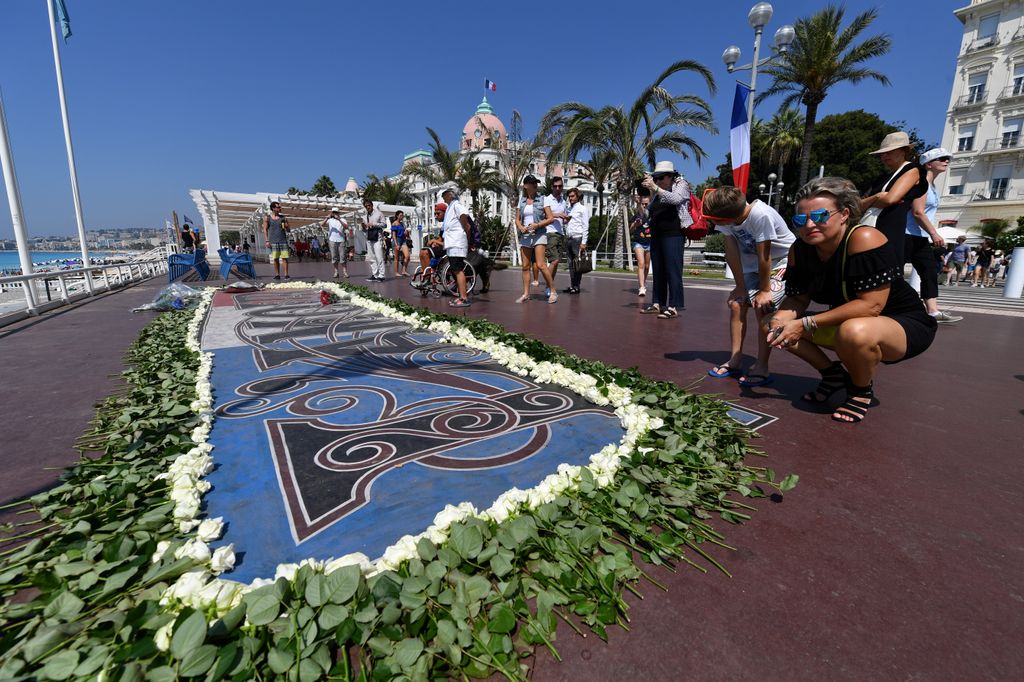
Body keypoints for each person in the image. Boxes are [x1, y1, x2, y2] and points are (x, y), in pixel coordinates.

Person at [768, 177, 936, 424]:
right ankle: (833, 375)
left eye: (821, 216)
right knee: (770, 323)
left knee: (854, 331)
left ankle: (860, 389)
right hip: (852, 322)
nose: (811, 224)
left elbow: (871, 306)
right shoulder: (800, 249)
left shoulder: (864, 237)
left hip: (901, 324)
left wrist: (803, 324)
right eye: (801, 220)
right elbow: (797, 299)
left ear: (845, 214)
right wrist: (779, 321)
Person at [702, 186, 796, 387]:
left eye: (714, 221)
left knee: (763, 306)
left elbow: (766, 256)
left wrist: (764, 291)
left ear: (725, 219)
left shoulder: (760, 215)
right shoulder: (729, 218)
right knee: (737, 303)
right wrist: (740, 287)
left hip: (783, 261)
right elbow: (732, 253)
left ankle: (762, 366)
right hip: (753, 267)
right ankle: (735, 359)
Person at [908, 148, 962, 323]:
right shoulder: (921, 182)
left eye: (948, 159)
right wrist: (934, 233)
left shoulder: (932, 186)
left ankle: (932, 311)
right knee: (890, 272)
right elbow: (918, 212)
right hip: (906, 235)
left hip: (920, 237)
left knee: (929, 271)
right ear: (928, 164)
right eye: (942, 158)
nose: (947, 161)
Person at [860, 131, 928, 265]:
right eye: (882, 153)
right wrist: (877, 197)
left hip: (889, 230)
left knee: (887, 273)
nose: (884, 156)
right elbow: (858, 205)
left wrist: (871, 201)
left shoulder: (912, 169)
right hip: (869, 226)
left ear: (903, 151)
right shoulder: (881, 178)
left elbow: (890, 199)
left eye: (889, 152)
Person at [639, 161, 691, 318]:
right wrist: (639, 203)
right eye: (656, 178)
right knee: (659, 271)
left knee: (673, 271)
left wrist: (655, 188)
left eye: (661, 177)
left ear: (670, 176)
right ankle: (657, 303)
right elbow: (646, 215)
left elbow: (675, 199)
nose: (658, 181)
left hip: (673, 234)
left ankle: (674, 306)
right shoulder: (657, 194)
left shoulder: (681, 184)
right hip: (657, 235)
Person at [515, 174, 558, 303]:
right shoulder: (521, 200)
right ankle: (526, 294)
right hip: (526, 236)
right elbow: (517, 219)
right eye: (532, 183)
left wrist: (537, 225)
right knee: (525, 266)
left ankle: (553, 291)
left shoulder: (544, 199)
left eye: (536, 183)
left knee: (540, 264)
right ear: (526, 186)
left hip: (539, 233)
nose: (535, 185)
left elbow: (551, 218)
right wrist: (521, 227)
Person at [439, 184, 473, 307]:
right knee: (455, 270)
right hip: (452, 243)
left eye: (444, 195)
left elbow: (466, 225)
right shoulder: (450, 207)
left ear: (449, 194)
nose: (442, 198)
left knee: (458, 270)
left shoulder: (457, 205)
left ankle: (464, 298)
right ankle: (461, 296)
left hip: (457, 242)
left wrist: (467, 241)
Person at [543, 176, 570, 297]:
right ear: (551, 187)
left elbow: (563, 220)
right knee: (554, 261)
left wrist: (566, 219)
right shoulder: (547, 199)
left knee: (556, 262)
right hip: (550, 232)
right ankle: (548, 286)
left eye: (560, 186)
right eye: (555, 186)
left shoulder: (564, 202)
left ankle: (549, 285)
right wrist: (558, 214)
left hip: (560, 233)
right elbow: (545, 215)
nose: (557, 188)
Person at [564, 187, 590, 294]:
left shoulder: (583, 209)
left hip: (578, 239)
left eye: (572, 196)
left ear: (578, 196)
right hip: (569, 238)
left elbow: (585, 226)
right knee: (570, 264)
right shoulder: (569, 209)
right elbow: (567, 223)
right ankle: (572, 285)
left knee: (577, 264)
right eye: (569, 196)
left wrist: (583, 242)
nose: (570, 198)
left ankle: (577, 286)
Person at [630, 191, 652, 296]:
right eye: (642, 204)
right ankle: (641, 287)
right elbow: (630, 230)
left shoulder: (652, 215)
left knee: (647, 266)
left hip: (650, 243)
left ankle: (644, 282)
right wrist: (635, 224)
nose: (644, 206)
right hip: (638, 242)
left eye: (646, 204)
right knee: (641, 264)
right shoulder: (637, 215)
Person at [263, 201, 290, 279]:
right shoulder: (267, 218)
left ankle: (286, 274)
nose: (280, 208)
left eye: (280, 207)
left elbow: (288, 230)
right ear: (273, 208)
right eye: (278, 207)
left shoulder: (283, 218)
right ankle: (277, 275)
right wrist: (267, 240)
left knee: (285, 258)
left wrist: (286, 225)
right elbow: (265, 230)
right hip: (273, 241)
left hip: (283, 240)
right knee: (275, 258)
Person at [361, 199, 387, 281]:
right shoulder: (365, 216)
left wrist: (374, 224)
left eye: (369, 205)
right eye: (366, 206)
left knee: (379, 256)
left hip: (377, 237)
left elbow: (384, 224)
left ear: (372, 205)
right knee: (371, 257)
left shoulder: (379, 214)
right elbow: (365, 229)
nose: (367, 207)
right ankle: (375, 274)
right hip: (369, 237)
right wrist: (364, 227)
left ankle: (382, 275)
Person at [322, 209, 351, 279]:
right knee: (334, 257)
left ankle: (345, 272)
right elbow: (322, 225)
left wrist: (339, 220)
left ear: (338, 213)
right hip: (332, 240)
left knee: (342, 257)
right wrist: (327, 218)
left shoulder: (343, 220)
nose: (335, 214)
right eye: (333, 212)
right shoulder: (330, 220)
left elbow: (347, 227)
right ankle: (336, 272)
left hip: (341, 240)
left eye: (336, 212)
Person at [391, 211, 410, 277]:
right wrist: (396, 244)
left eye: (403, 215)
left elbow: (406, 234)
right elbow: (393, 235)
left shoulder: (402, 224)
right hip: (397, 240)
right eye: (401, 215)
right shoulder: (394, 224)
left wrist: (406, 232)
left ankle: (404, 271)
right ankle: (396, 272)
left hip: (403, 240)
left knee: (407, 256)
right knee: (397, 258)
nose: (402, 216)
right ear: (397, 216)